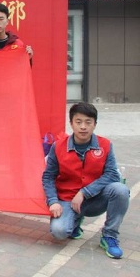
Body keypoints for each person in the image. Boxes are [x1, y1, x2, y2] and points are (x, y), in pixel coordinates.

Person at [42, 102, 130, 259]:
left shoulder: (105, 145)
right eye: (78, 122)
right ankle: (75, 220)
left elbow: (112, 174)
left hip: (96, 198)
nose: (83, 127)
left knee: (120, 190)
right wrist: (53, 201)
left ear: (94, 124)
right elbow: (48, 176)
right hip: (68, 199)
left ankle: (109, 236)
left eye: (88, 122)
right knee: (59, 232)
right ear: (71, 123)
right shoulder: (58, 146)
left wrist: (84, 192)